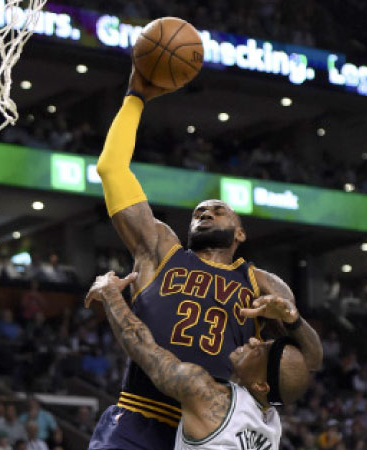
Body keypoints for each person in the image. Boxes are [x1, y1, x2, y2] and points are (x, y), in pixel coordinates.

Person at [88, 64, 323, 450]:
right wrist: (135, 97)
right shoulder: (160, 249)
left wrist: (294, 321)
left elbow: (309, 360)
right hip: (140, 416)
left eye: (218, 209)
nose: (206, 212)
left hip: (214, 426)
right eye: (199, 211)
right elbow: (111, 168)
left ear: (241, 233)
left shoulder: (262, 284)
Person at [86, 272, 314, 450]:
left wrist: (110, 294)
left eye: (259, 351)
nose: (254, 341)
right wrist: (292, 321)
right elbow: (303, 369)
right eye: (262, 341)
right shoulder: (271, 426)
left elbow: (142, 346)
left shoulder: (211, 399)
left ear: (261, 385)